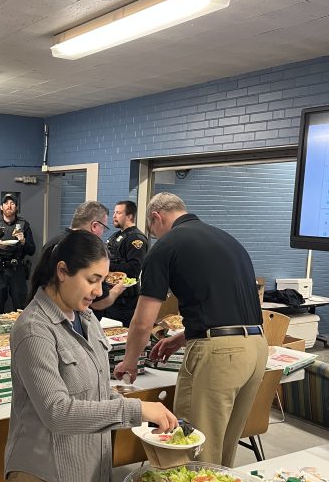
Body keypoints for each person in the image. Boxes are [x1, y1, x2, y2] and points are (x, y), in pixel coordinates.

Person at [5, 230, 177, 482]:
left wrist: (141, 418)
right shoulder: (35, 329)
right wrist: (136, 409)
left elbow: (96, 389)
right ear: (62, 271)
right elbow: (57, 412)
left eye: (102, 281)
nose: (99, 291)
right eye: (92, 279)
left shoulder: (84, 318)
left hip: (88, 474)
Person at [114, 192, 267, 467]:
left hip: (221, 355)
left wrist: (129, 362)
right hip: (256, 348)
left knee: (196, 443)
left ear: (156, 218)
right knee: (223, 446)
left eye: (153, 230)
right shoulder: (226, 240)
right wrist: (181, 339)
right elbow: (226, 308)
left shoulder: (165, 246)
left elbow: (142, 321)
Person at [43, 201, 128, 314]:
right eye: (92, 280)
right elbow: (98, 302)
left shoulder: (50, 243)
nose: (98, 292)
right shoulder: (86, 251)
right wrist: (117, 290)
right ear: (94, 226)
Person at [0, 193, 36, 314]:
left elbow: (32, 251)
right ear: (1, 207)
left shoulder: (24, 225)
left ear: (16, 208)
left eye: (12, 203)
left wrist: (23, 241)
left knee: (21, 307)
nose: (9, 206)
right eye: (6, 203)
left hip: (17, 271)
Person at [102, 200, 148, 326]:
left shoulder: (136, 239)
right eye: (114, 212)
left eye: (118, 213)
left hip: (125, 301)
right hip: (110, 295)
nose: (114, 216)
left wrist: (106, 267)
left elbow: (134, 269)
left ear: (130, 216)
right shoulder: (115, 236)